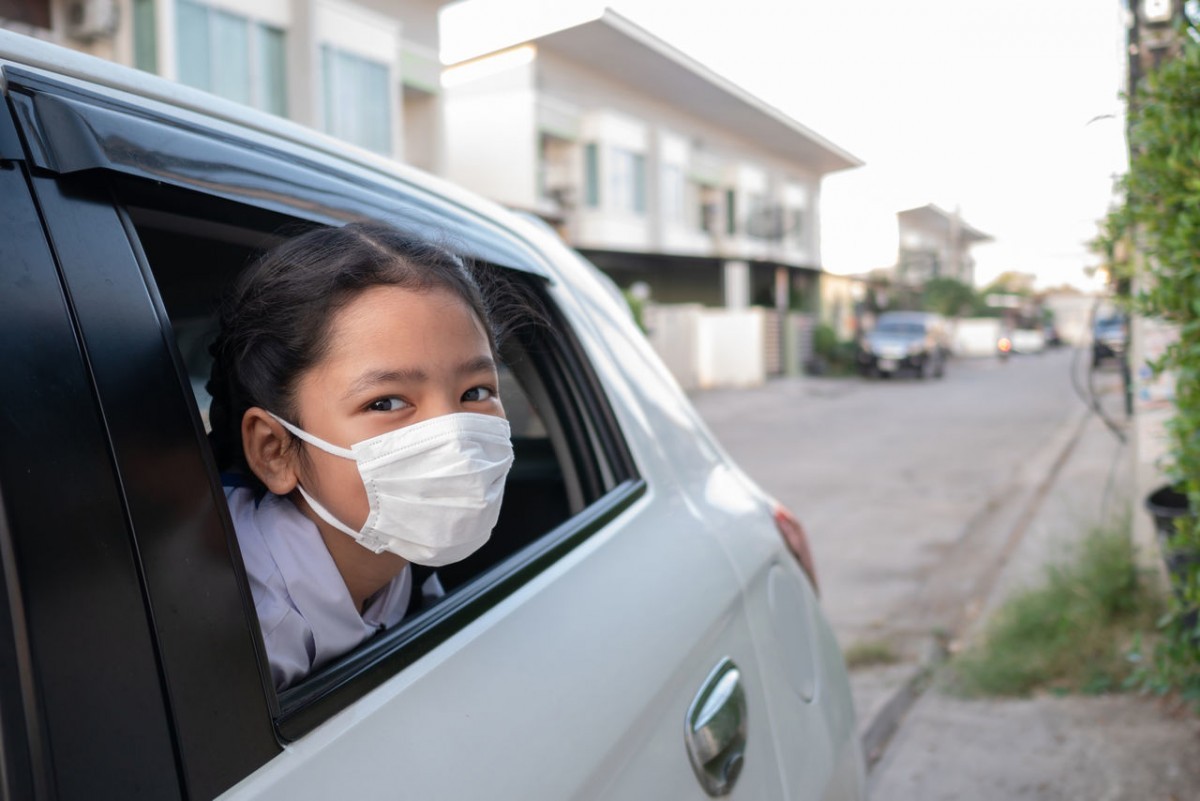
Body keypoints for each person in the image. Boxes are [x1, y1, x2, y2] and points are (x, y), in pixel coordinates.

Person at [207, 221, 515, 691]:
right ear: (276, 450)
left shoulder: (401, 561)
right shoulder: (238, 639)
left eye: (475, 391)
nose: (452, 437)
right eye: (386, 403)